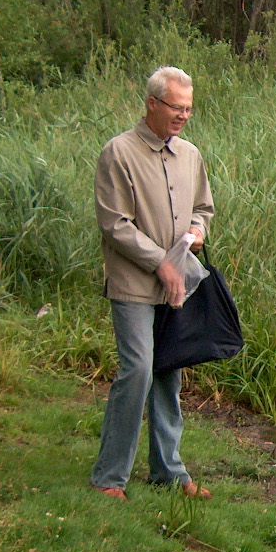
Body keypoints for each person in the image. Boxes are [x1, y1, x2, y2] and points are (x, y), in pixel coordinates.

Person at [89, 66, 214, 500]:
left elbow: (203, 208)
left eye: (188, 109)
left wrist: (198, 231)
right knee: (139, 369)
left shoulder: (190, 155)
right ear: (152, 104)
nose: (183, 116)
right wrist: (160, 262)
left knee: (168, 372)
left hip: (176, 285)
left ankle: (169, 472)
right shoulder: (118, 153)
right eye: (176, 107)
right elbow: (115, 224)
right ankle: (109, 477)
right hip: (133, 285)